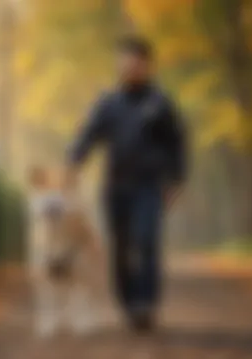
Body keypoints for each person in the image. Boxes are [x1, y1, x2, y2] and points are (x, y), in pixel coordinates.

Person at [66, 36, 186, 332]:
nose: (130, 67)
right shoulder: (108, 103)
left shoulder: (160, 104)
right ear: (119, 65)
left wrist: (176, 180)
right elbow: (89, 135)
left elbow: (177, 144)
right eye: (125, 61)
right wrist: (73, 163)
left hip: (149, 187)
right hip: (115, 187)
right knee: (119, 247)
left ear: (148, 66)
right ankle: (128, 301)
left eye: (137, 62)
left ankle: (145, 303)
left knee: (145, 241)